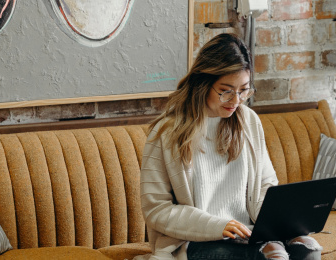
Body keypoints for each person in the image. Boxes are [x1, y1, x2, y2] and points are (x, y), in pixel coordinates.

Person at [134, 33, 322, 260]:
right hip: (194, 241)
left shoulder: (249, 121)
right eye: (226, 90)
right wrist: (218, 226)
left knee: (308, 249)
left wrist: (284, 224)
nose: (235, 101)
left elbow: (265, 185)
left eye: (243, 90)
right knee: (272, 255)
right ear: (203, 83)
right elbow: (157, 210)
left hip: (249, 234)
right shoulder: (167, 132)